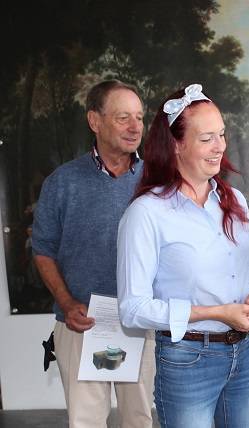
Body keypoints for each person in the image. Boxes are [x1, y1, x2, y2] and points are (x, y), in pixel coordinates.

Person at [116, 83, 249, 428]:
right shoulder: (146, 213)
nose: (220, 146)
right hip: (188, 361)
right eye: (206, 138)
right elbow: (132, 309)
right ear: (176, 145)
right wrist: (219, 312)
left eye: (221, 135)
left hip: (248, 354)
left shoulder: (234, 199)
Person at [32, 80, 155, 428]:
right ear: (95, 121)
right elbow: (42, 250)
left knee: (139, 420)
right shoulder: (62, 182)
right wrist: (68, 303)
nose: (134, 128)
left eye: (139, 118)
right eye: (122, 117)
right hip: (83, 325)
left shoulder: (157, 182)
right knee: (86, 422)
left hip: (138, 325)